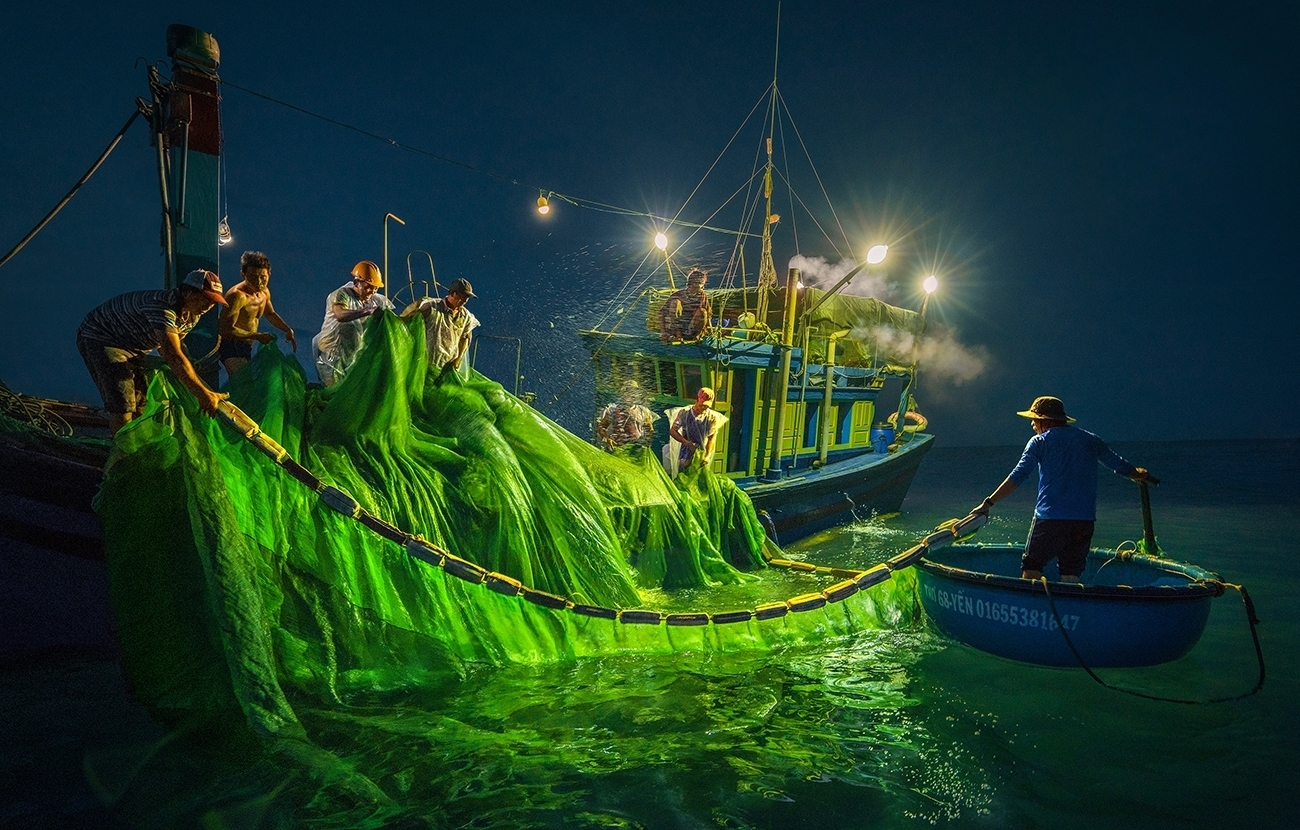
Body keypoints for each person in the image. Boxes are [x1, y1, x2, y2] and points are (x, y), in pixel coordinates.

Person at [973, 396, 1150, 584]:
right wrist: (1139, 474)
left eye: (1034, 419)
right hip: (1083, 520)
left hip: (1050, 519)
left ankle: (1036, 610)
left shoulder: (1039, 442)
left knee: (1031, 569)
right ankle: (1069, 612)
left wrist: (988, 502)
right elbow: (1120, 466)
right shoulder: (1091, 440)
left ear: (1045, 420)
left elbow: (1018, 476)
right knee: (1070, 575)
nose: (1032, 424)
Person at [76, 269, 230, 435]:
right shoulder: (162, 308)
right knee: (122, 403)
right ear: (187, 292)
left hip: (136, 347)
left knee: (140, 403)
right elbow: (172, 354)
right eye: (205, 299)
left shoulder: (193, 315)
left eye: (213, 302)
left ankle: (133, 442)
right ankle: (121, 452)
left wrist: (191, 366)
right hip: (102, 338)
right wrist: (203, 394)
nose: (208, 306)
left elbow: (170, 349)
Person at [312, 260, 394, 387]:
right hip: (333, 357)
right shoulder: (342, 294)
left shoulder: (376, 300)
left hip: (354, 358)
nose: (372, 291)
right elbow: (340, 314)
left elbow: (394, 320)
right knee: (334, 392)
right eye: (368, 287)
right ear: (357, 283)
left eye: (375, 288)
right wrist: (369, 311)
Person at [217, 250, 296, 377]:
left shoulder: (264, 292)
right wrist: (258, 336)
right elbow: (224, 329)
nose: (259, 282)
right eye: (253, 277)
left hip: (246, 346)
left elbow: (270, 314)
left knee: (247, 384)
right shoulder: (237, 296)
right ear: (243, 275)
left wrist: (287, 329)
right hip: (231, 345)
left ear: (269, 274)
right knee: (243, 382)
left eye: (263, 277)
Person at [399, 278, 480, 380]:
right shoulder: (432, 307)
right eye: (463, 296)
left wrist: (457, 360)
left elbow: (466, 337)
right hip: (425, 365)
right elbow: (407, 321)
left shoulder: (466, 316)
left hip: (447, 370)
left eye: (467, 297)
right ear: (453, 293)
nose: (465, 300)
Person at [669, 387, 722, 468]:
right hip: (685, 453)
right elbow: (673, 431)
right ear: (697, 399)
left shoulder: (712, 418)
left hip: (701, 454)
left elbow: (712, 438)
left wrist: (707, 456)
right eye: (702, 405)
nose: (704, 408)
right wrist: (686, 443)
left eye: (707, 406)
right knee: (684, 475)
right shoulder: (685, 413)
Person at [596, 380, 655, 451]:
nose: (630, 394)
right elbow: (601, 427)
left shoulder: (643, 411)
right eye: (627, 391)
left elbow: (649, 429)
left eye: (633, 392)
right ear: (623, 393)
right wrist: (607, 439)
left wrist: (647, 444)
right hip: (616, 449)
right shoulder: (612, 410)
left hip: (636, 450)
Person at [658, 268, 712, 343]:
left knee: (703, 311)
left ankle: (695, 337)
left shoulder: (702, 296)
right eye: (701, 283)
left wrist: (710, 332)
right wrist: (663, 332)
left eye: (702, 283)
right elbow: (661, 313)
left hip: (690, 329)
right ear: (693, 283)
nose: (702, 286)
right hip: (676, 329)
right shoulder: (677, 295)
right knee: (675, 303)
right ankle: (677, 335)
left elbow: (708, 315)